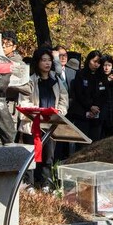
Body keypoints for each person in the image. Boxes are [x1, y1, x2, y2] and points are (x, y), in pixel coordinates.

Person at [21, 47, 69, 189]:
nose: (47, 63)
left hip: (51, 124)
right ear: (37, 62)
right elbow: (23, 100)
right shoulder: (31, 81)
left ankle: (46, 183)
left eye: (49, 60)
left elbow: (63, 99)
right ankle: (29, 184)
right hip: (33, 123)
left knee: (49, 156)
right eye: (43, 60)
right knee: (31, 154)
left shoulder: (56, 80)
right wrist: (37, 111)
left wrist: (60, 111)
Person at [67, 50, 107, 144]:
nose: (96, 65)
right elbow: (79, 94)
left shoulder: (102, 76)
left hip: (97, 115)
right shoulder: (81, 74)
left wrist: (97, 108)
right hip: (82, 114)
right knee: (82, 143)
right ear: (89, 60)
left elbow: (104, 95)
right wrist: (89, 107)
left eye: (98, 63)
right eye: (94, 61)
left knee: (95, 143)